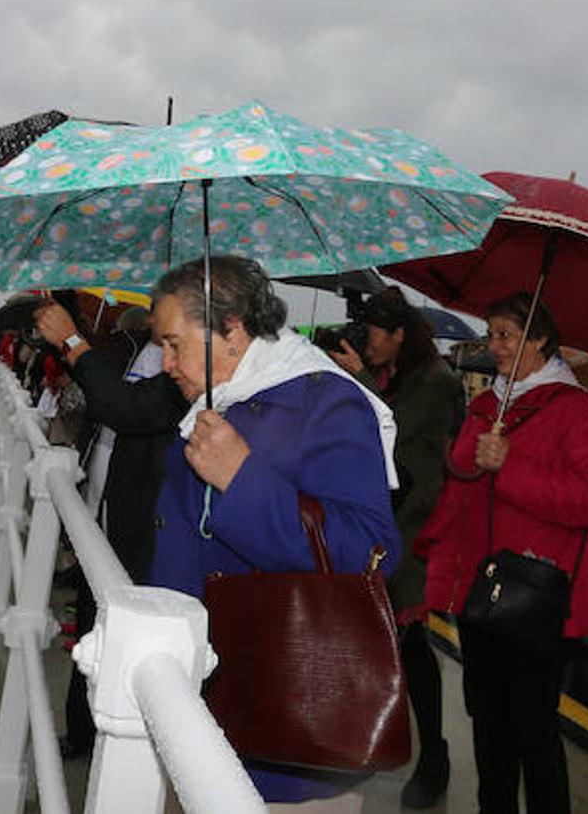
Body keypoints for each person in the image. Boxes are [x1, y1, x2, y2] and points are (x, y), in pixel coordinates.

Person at [145, 256, 400, 811]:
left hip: (282, 741)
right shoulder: (218, 403)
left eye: (173, 343)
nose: (164, 364)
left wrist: (242, 478)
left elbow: (371, 553)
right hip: (202, 706)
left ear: (231, 331)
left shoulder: (326, 402)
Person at [417, 293, 588, 813]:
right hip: (482, 592)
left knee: (534, 736)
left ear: (540, 340)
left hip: (536, 598)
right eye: (491, 333)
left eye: (506, 334)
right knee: (488, 731)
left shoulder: (574, 409)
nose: (494, 345)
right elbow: (462, 474)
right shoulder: (490, 402)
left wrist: (510, 467)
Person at [327, 287, 466, 809]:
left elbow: (394, 430)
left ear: (400, 334)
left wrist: (359, 379)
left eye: (376, 334)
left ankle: (434, 753)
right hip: (374, 524)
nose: (369, 342)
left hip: (410, 531)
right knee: (373, 645)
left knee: (410, 648)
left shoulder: (436, 381)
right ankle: (378, 743)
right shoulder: (391, 375)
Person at [33, 299, 187, 760]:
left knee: (114, 638)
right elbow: (99, 395)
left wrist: (72, 341)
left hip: (134, 530)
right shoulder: (138, 348)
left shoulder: (191, 374)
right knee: (89, 628)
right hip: (101, 515)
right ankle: (80, 731)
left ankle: (102, 744)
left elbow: (125, 408)